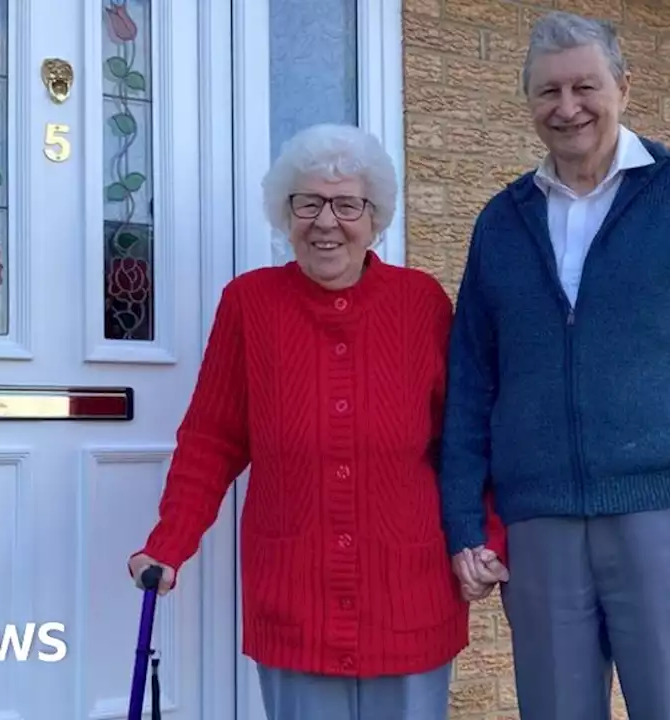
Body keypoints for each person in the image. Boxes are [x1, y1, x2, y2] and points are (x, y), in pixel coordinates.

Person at [437, 11, 670, 720]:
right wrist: (466, 519)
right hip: (542, 527)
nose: (567, 108)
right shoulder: (501, 222)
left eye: (585, 86)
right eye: (547, 92)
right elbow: (470, 382)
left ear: (622, 85)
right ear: (527, 101)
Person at [128, 122, 508, 720]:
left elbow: (464, 438)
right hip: (295, 596)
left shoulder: (422, 304)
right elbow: (211, 440)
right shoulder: (248, 305)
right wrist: (168, 544)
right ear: (285, 212)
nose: (325, 222)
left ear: (375, 215)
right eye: (307, 203)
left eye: (347, 204)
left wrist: (482, 534)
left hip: (407, 593)